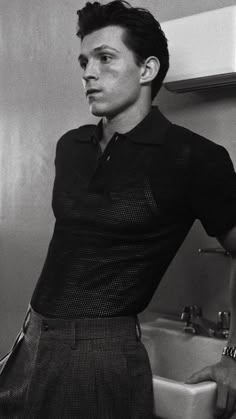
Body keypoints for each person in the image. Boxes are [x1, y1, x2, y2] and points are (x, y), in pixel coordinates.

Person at [1, 0, 236, 418]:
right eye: (84, 61)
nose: (89, 72)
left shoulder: (193, 157)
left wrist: (233, 355)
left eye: (105, 58)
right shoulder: (70, 146)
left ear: (146, 70)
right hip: (33, 336)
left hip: (101, 354)